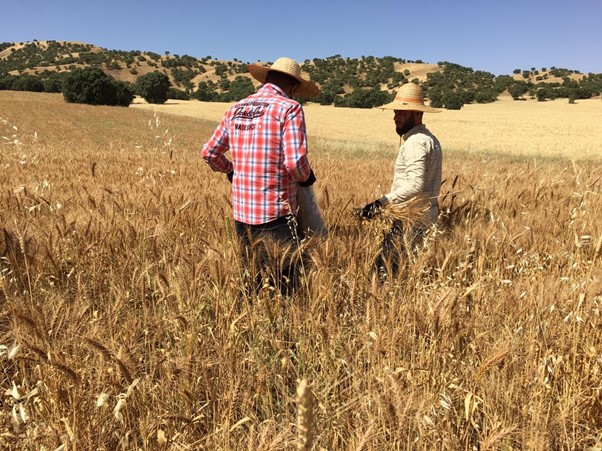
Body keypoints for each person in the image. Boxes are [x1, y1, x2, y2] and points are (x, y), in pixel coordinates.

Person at [201, 57, 319, 296]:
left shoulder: (236, 108)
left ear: (265, 78)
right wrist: (306, 179)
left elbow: (209, 153)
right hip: (277, 216)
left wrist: (231, 171)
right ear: (294, 86)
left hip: (242, 216)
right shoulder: (289, 108)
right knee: (286, 289)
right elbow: (295, 161)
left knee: (252, 284)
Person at [359, 82, 442, 280]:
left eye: (401, 113)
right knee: (405, 275)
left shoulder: (415, 143)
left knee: (383, 276)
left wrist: (380, 203)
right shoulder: (430, 139)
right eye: (396, 112)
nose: (395, 117)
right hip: (426, 217)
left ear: (417, 114)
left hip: (410, 220)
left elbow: (415, 184)